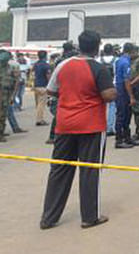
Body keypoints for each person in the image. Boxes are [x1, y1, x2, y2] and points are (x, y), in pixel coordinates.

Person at [40, 30, 116, 230]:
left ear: (79, 46)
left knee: (59, 170)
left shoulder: (63, 65)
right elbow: (108, 95)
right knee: (89, 171)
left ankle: (49, 217)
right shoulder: (99, 68)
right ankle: (90, 217)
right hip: (91, 125)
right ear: (97, 45)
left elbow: (51, 90)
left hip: (65, 124)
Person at [0, 50, 26, 142]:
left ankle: (0, 133)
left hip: (6, 94)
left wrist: (13, 95)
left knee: (2, 115)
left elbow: (16, 82)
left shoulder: (11, 69)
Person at [113, 43, 136, 149]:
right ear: (131, 51)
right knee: (122, 115)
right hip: (123, 91)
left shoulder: (119, 60)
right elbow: (126, 80)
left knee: (126, 114)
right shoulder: (125, 62)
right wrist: (131, 96)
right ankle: (119, 140)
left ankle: (127, 137)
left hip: (119, 89)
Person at [99, 44, 117, 137]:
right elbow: (116, 74)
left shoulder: (99, 60)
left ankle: (101, 126)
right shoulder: (116, 60)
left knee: (101, 106)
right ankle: (110, 127)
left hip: (100, 85)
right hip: (112, 84)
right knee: (112, 106)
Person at [33, 50, 52, 126]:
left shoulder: (36, 64)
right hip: (43, 86)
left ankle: (38, 118)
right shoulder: (46, 65)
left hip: (36, 85)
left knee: (38, 104)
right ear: (45, 56)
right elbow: (48, 76)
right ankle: (39, 120)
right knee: (41, 104)